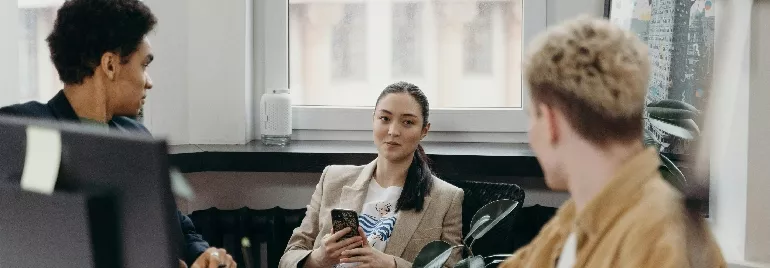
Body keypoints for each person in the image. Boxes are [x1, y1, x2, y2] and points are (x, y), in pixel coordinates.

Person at [0, 0, 235, 267]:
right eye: (144, 65)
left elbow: (178, 226)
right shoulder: (35, 134)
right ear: (110, 65)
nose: (149, 81)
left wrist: (201, 255)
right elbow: (37, 239)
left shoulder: (136, 136)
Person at [499, 16, 725, 268]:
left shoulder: (661, 238)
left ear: (551, 122)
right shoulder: (575, 220)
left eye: (532, 117)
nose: (531, 135)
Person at [279, 82, 464, 268]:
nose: (393, 131)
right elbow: (290, 256)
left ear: (424, 130)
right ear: (373, 120)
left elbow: (452, 266)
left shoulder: (446, 198)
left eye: (408, 122)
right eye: (384, 118)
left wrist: (390, 264)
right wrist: (319, 259)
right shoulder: (333, 179)